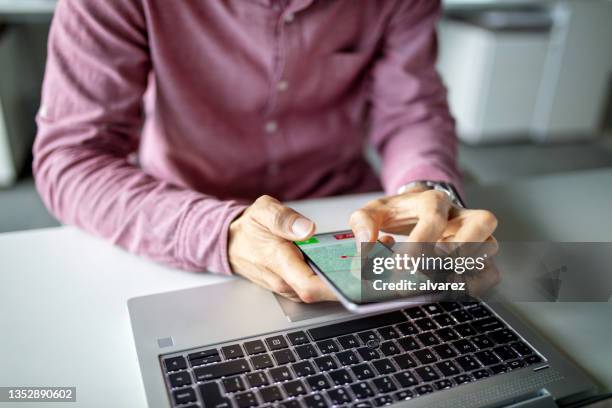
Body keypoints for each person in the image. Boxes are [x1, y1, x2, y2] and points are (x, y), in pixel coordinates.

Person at [33, 0, 497, 304]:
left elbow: (412, 111)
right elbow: (72, 160)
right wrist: (219, 233)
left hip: (345, 218)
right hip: (176, 223)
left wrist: (427, 187)